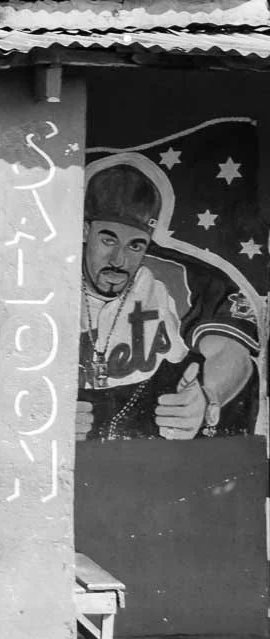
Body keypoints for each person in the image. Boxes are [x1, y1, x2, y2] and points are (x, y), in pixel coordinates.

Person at [77, 155, 258, 441]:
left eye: (135, 245)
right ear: (86, 231)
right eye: (108, 240)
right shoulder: (50, 277)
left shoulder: (179, 276)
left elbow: (232, 352)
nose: (119, 259)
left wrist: (209, 398)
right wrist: (47, 411)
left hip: (155, 440)